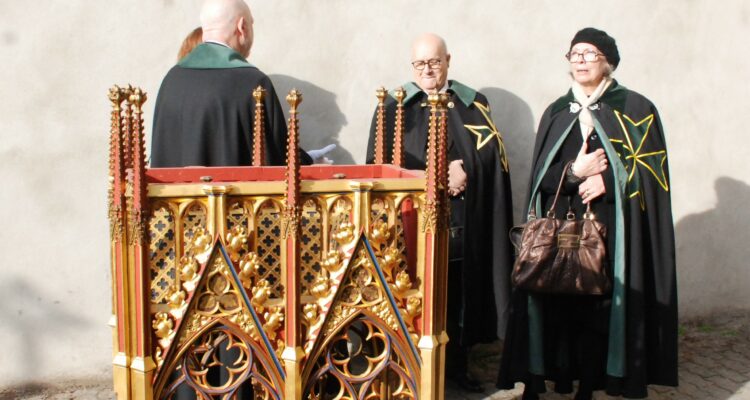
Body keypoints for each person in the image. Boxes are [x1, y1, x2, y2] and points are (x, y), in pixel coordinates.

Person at [496, 28, 677, 400]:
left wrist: (610, 181)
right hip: (559, 226)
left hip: (612, 227)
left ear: (607, 60)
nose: (580, 60)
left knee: (601, 305)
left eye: (589, 53)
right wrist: (575, 172)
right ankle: (548, 376)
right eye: (574, 54)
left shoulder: (636, 109)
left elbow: (652, 172)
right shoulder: (557, 112)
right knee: (555, 302)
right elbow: (540, 178)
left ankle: (592, 382)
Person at [365, 33, 514, 393]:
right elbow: (379, 165)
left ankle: (457, 366)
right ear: (411, 66)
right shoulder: (393, 107)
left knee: (458, 295)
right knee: (415, 293)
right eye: (420, 64)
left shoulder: (472, 103)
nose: (427, 70)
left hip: (461, 223)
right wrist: (433, 176)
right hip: (411, 226)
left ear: (448, 60)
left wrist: (467, 171)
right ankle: (409, 365)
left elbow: (493, 160)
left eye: (434, 62)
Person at [150, 0, 312, 167]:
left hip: (177, 193)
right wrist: (310, 162)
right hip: (234, 192)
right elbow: (278, 160)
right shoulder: (253, 83)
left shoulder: (172, 80)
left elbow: (160, 155)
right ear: (242, 27)